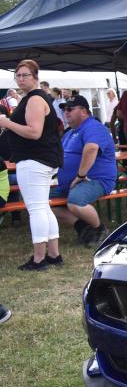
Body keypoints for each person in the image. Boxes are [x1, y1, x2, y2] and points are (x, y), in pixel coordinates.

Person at [0, 59, 64, 270]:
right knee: (43, 207)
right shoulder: (36, 98)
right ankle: (54, 255)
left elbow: (34, 132)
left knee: (36, 209)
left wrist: (7, 123)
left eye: (24, 75)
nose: (20, 79)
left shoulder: (35, 100)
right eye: (17, 75)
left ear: (35, 76)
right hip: (42, 160)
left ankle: (39, 259)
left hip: (35, 160)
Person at [51, 95, 116, 246]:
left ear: (84, 111)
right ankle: (84, 228)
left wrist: (80, 175)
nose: (66, 113)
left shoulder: (93, 127)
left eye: (70, 109)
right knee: (43, 203)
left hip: (95, 180)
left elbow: (92, 147)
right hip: (70, 183)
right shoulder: (70, 132)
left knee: (75, 202)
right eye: (64, 110)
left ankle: (100, 230)